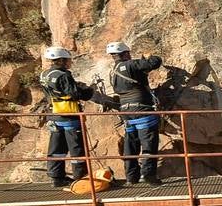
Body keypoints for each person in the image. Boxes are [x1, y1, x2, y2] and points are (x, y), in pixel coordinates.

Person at [107, 41, 164, 185]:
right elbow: (155, 62)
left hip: (126, 111)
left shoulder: (112, 71)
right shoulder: (130, 64)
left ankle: (131, 177)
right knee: (148, 144)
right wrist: (149, 57)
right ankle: (149, 176)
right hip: (141, 109)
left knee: (130, 146)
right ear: (125, 53)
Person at [38, 46, 95, 188]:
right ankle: (81, 178)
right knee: (77, 150)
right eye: (68, 60)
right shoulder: (64, 75)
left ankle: (57, 178)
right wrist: (88, 90)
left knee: (57, 149)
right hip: (69, 116)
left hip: (54, 115)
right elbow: (75, 94)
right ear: (62, 60)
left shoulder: (44, 74)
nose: (70, 63)